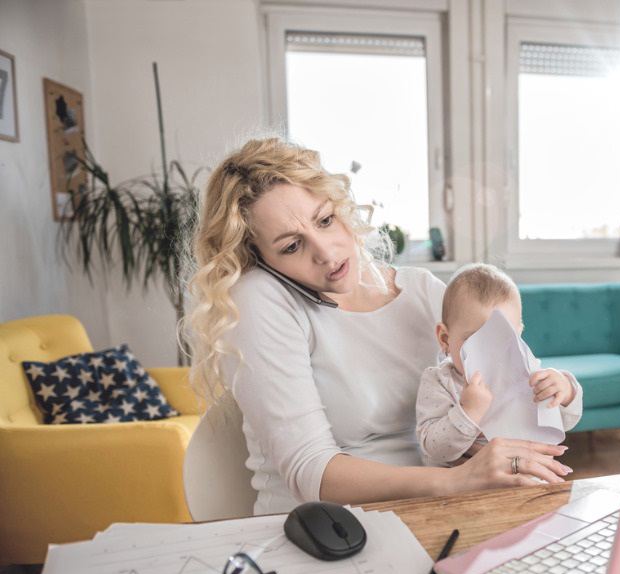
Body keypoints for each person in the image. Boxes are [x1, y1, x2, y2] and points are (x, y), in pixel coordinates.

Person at [186, 138, 571, 514]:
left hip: (441, 512)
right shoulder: (261, 298)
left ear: (341, 208)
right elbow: (310, 470)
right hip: (327, 530)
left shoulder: (422, 290)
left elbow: (515, 387)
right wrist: (459, 480)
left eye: (325, 220)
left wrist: (548, 401)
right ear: (262, 260)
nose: (325, 252)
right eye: (291, 246)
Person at [416, 263, 582, 466]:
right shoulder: (440, 381)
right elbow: (435, 449)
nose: (489, 351)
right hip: (464, 486)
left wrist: (565, 392)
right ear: (445, 339)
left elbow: (566, 421)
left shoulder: (528, 373)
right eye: (474, 340)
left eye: (503, 339)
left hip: (528, 478)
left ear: (519, 334)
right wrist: (469, 412)